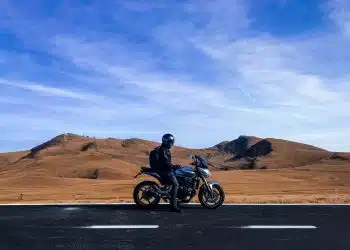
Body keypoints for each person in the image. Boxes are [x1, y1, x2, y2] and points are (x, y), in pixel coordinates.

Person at [149, 133, 182, 212]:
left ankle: (176, 199)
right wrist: (173, 166)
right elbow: (166, 162)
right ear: (167, 141)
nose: (172, 144)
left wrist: (173, 166)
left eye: (172, 142)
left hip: (162, 170)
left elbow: (166, 162)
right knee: (175, 184)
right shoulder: (164, 150)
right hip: (164, 171)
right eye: (171, 142)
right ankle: (173, 206)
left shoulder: (162, 149)